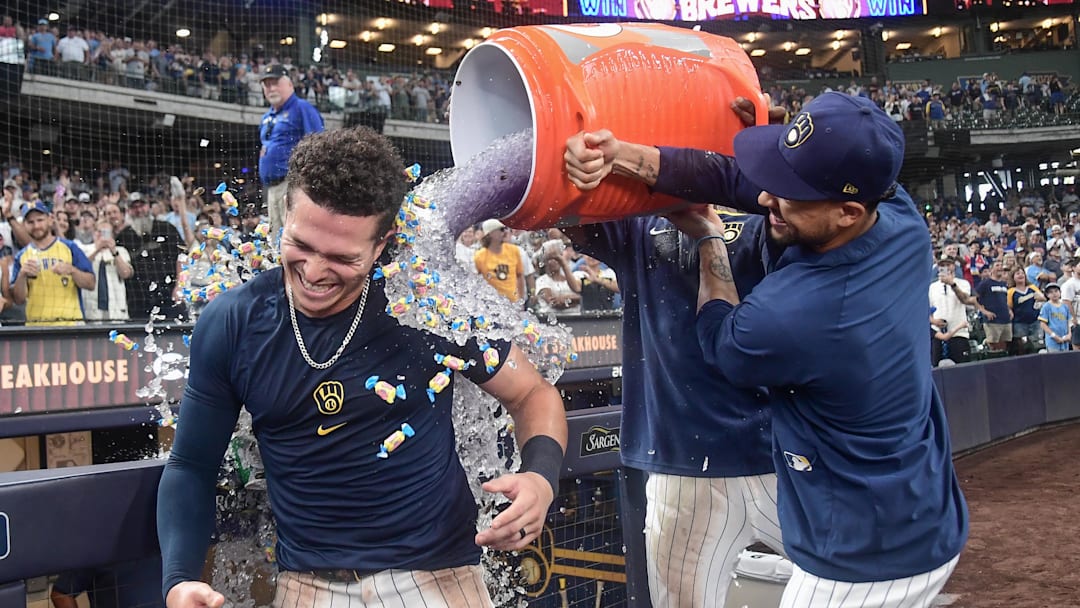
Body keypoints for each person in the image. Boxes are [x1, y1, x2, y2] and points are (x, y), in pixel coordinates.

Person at [572, 92, 968, 607]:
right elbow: (732, 178)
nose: (764, 199)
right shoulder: (897, 213)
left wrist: (710, 239)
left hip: (864, 553)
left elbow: (722, 338)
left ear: (848, 211)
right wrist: (621, 153)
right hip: (922, 508)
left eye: (788, 193)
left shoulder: (799, 310)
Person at [157, 127, 568, 608]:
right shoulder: (233, 320)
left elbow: (531, 394)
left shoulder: (425, 301)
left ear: (382, 244)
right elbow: (190, 464)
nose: (312, 272)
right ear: (286, 212)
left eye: (340, 257)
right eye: (301, 245)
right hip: (307, 586)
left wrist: (540, 477)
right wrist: (179, 580)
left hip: (439, 576)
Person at [562, 97, 789, 607]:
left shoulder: (769, 208)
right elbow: (566, 211)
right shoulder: (640, 217)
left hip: (782, 449)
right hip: (680, 461)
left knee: (846, 590)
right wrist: (578, 154)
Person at [257, 64, 324, 235]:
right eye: (267, 84)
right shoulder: (267, 116)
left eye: (275, 83)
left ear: (290, 85)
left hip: (293, 185)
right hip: (271, 188)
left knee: (295, 238)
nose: (271, 88)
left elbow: (318, 146)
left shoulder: (303, 108)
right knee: (275, 242)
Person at [10, 201, 95, 325]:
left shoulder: (70, 247)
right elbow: (18, 299)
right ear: (24, 225)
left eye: (40, 220)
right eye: (30, 222)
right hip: (36, 328)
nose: (36, 226)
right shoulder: (21, 256)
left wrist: (72, 270)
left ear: (50, 220)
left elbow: (91, 283)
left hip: (70, 325)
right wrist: (22, 275)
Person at [113, 195, 186, 321]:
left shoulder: (166, 228)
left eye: (142, 205)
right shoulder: (123, 237)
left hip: (169, 297)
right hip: (138, 302)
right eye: (134, 207)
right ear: (129, 211)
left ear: (148, 207)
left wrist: (180, 285)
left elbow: (183, 256)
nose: (139, 210)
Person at [930, 256, 975, 366]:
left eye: (948, 265)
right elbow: (927, 311)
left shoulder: (963, 283)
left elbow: (965, 300)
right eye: (942, 265)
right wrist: (934, 321)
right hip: (939, 334)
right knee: (937, 369)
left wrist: (952, 284)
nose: (945, 267)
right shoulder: (932, 287)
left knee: (961, 369)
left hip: (959, 332)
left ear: (953, 266)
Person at [473, 219, 526, 304]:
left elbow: (520, 276)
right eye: (501, 229)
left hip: (513, 303)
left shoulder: (514, 250)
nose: (505, 232)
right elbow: (476, 281)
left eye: (505, 228)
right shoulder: (479, 256)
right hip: (492, 304)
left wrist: (521, 300)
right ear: (490, 233)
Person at [1007, 268, 1045, 355]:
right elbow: (1008, 306)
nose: (1020, 275)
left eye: (1022, 273)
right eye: (1017, 273)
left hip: (1035, 321)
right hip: (1020, 323)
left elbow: (1042, 298)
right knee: (1022, 347)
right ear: (1013, 277)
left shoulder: (1032, 287)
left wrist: (1041, 298)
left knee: (1037, 344)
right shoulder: (1010, 292)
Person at [1038, 283, 1072, 352]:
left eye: (1056, 291)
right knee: (1054, 360)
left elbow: (1069, 321)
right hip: (1052, 341)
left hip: (1065, 339)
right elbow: (1043, 324)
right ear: (1047, 295)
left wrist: (1069, 334)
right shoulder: (1046, 306)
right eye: (1051, 292)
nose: (1054, 294)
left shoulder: (1064, 306)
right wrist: (1054, 335)